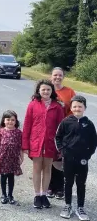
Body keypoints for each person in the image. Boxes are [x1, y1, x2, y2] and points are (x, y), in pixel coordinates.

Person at [22, 79, 64, 209]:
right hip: (36, 143)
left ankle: (44, 195)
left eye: (48, 89)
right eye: (43, 89)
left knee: (47, 169)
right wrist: (25, 145)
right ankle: (37, 195)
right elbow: (27, 125)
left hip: (51, 144)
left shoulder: (57, 107)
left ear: (52, 91)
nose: (46, 91)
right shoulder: (33, 105)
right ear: (39, 91)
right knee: (36, 169)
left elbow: (61, 128)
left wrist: (61, 146)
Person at [55, 95, 97, 221]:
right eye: (75, 106)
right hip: (68, 158)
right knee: (68, 182)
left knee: (81, 183)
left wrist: (88, 155)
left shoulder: (89, 124)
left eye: (80, 106)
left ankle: (80, 207)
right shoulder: (66, 122)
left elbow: (93, 142)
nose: (77, 108)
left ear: (84, 108)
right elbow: (58, 137)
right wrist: (62, 151)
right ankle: (67, 205)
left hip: (82, 160)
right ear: (71, 108)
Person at [47, 67, 76, 199]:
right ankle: (49, 186)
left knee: (61, 158)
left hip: (64, 130)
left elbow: (74, 110)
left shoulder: (69, 92)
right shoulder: (47, 90)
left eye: (60, 75)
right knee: (49, 158)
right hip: (49, 129)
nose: (57, 77)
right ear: (51, 76)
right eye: (55, 75)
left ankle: (60, 188)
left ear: (63, 77)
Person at [0, 110, 23, 204]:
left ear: (16, 121)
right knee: (3, 176)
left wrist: (21, 157)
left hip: (13, 158)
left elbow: (20, 146)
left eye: (12, 120)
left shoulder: (18, 132)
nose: (10, 122)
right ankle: (4, 195)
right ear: (4, 121)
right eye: (8, 119)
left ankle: (10, 195)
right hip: (3, 158)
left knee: (11, 177)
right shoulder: (1, 132)